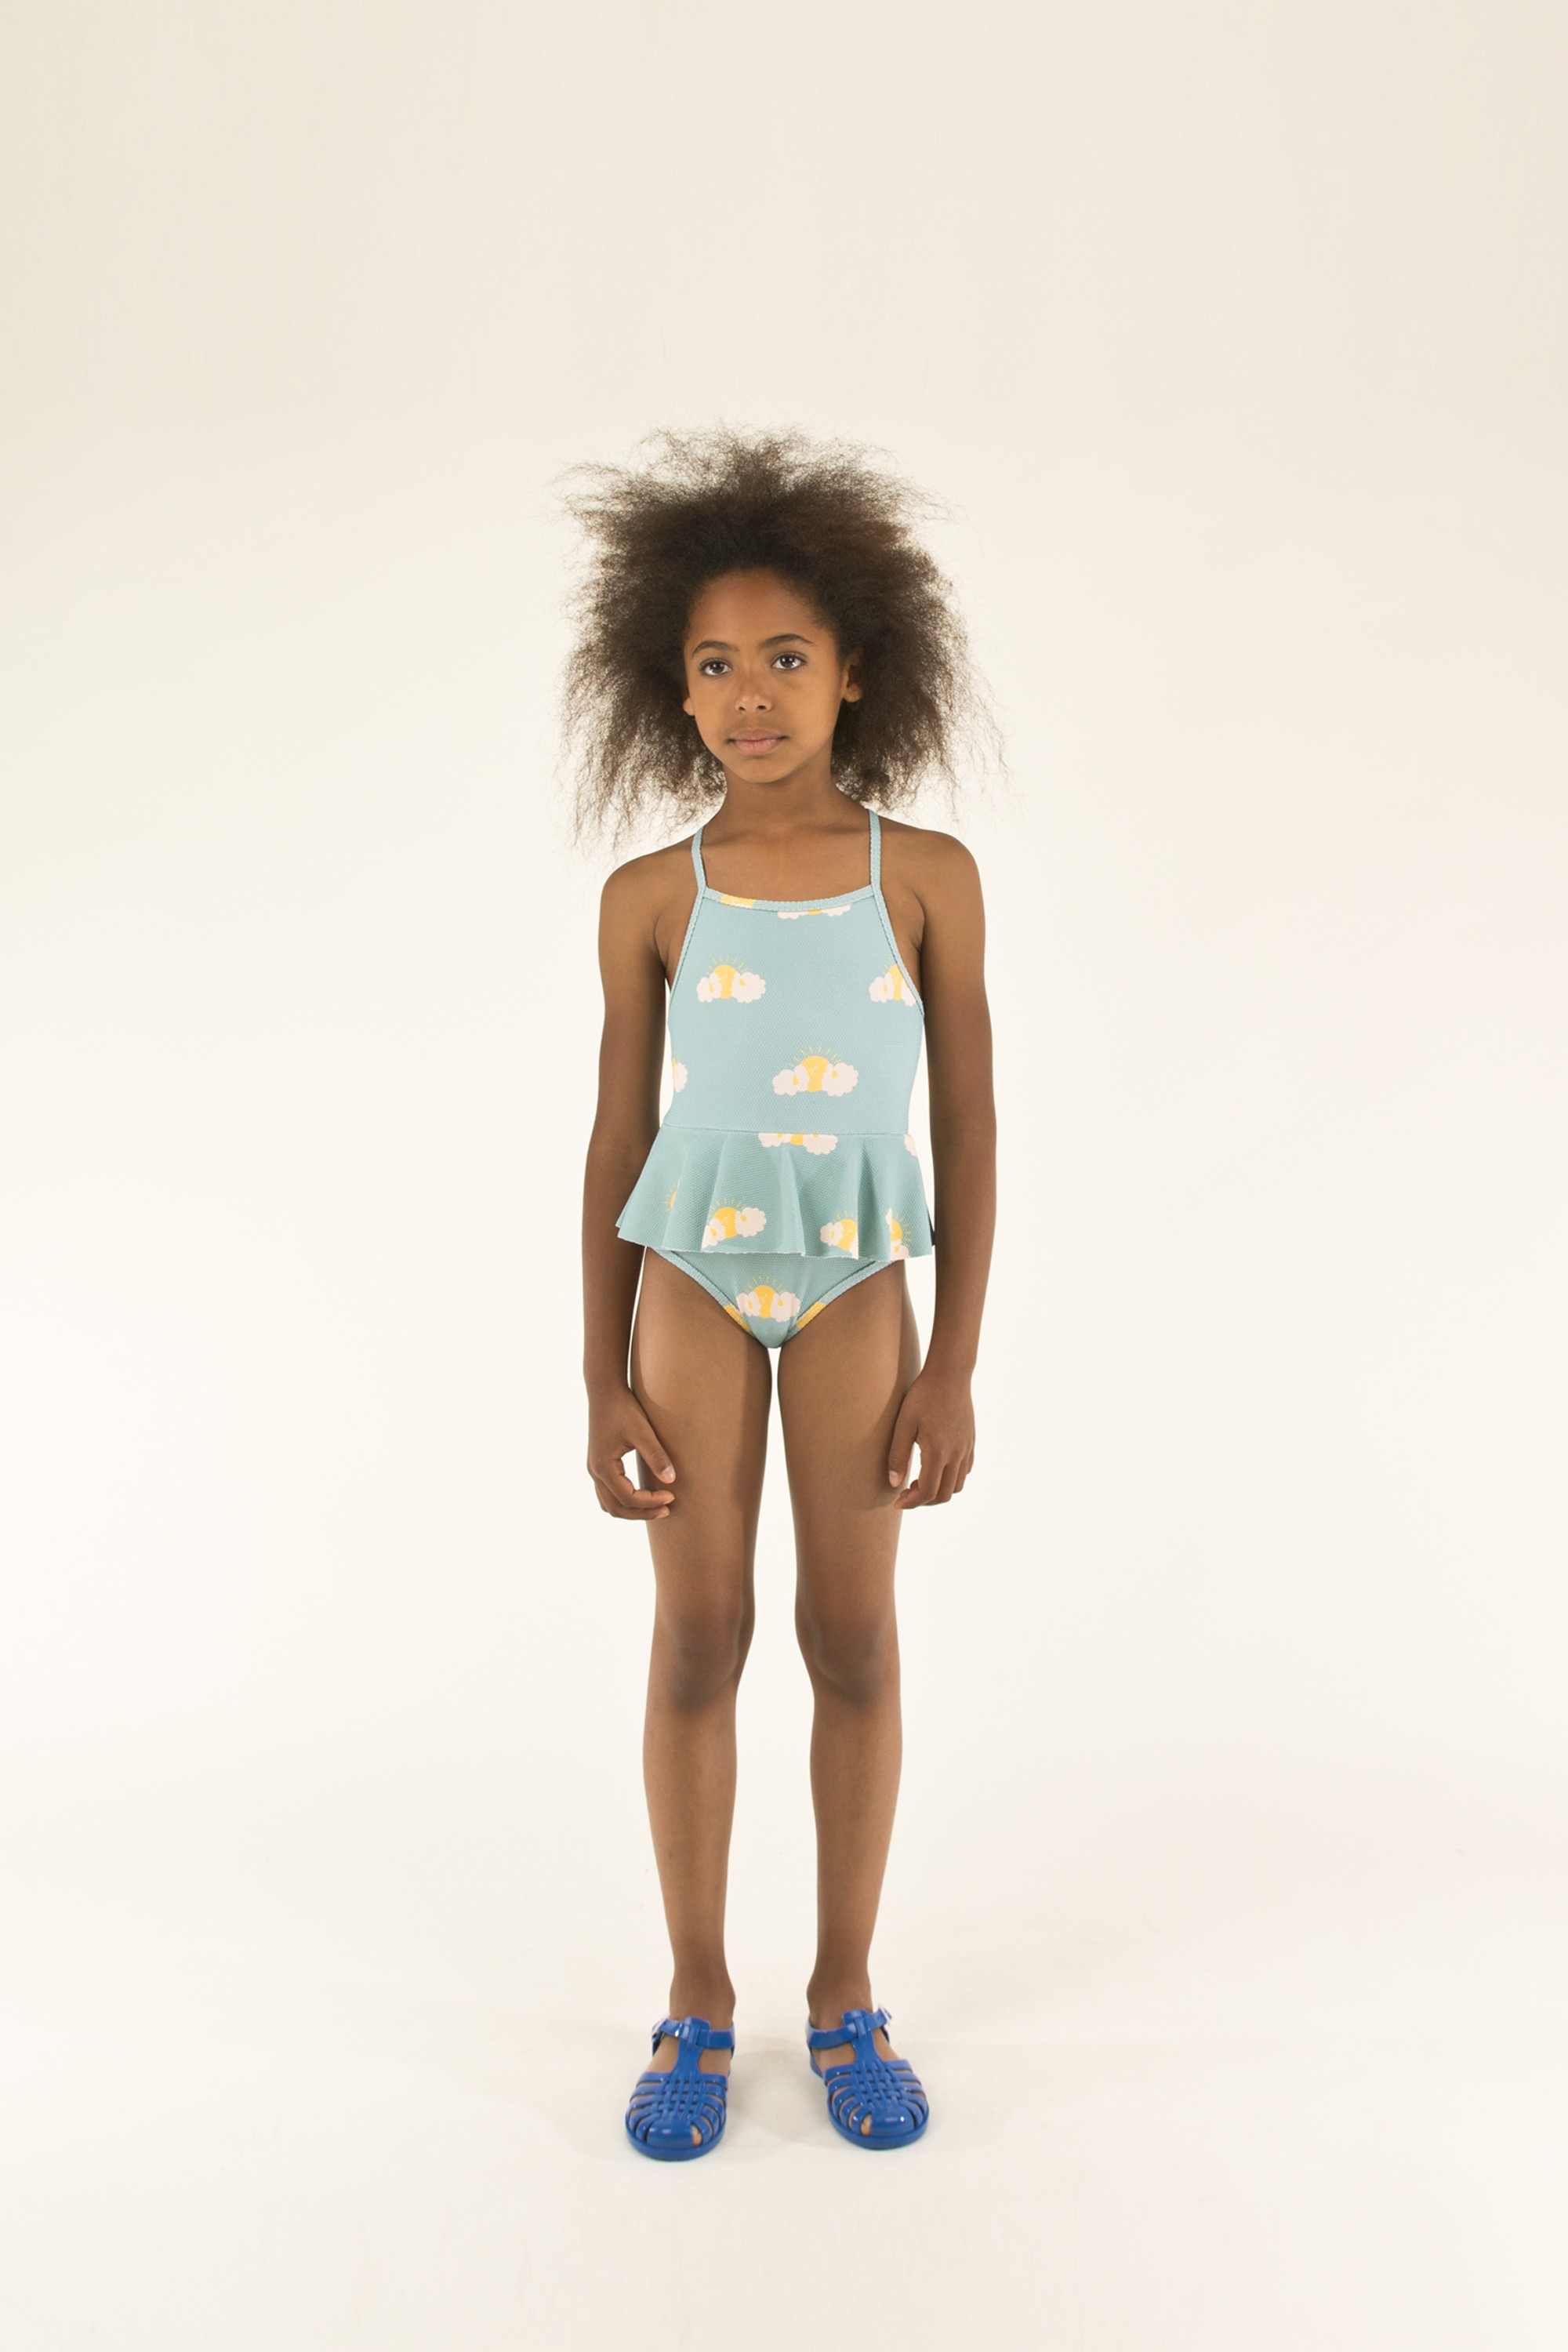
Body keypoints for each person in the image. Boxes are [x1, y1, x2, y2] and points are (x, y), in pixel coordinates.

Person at [561, 424, 999, 2158]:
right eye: (716, 666)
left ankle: (845, 1994)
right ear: (671, 691)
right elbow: (617, 1138)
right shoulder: (650, 897)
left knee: (852, 1637)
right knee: (697, 1636)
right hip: (689, 1274)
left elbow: (968, 1123)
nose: (751, 695)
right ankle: (695, 1998)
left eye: (787, 659)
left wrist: (955, 1360)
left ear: (856, 672)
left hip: (854, 1286)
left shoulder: (927, 879)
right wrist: (598, 1373)